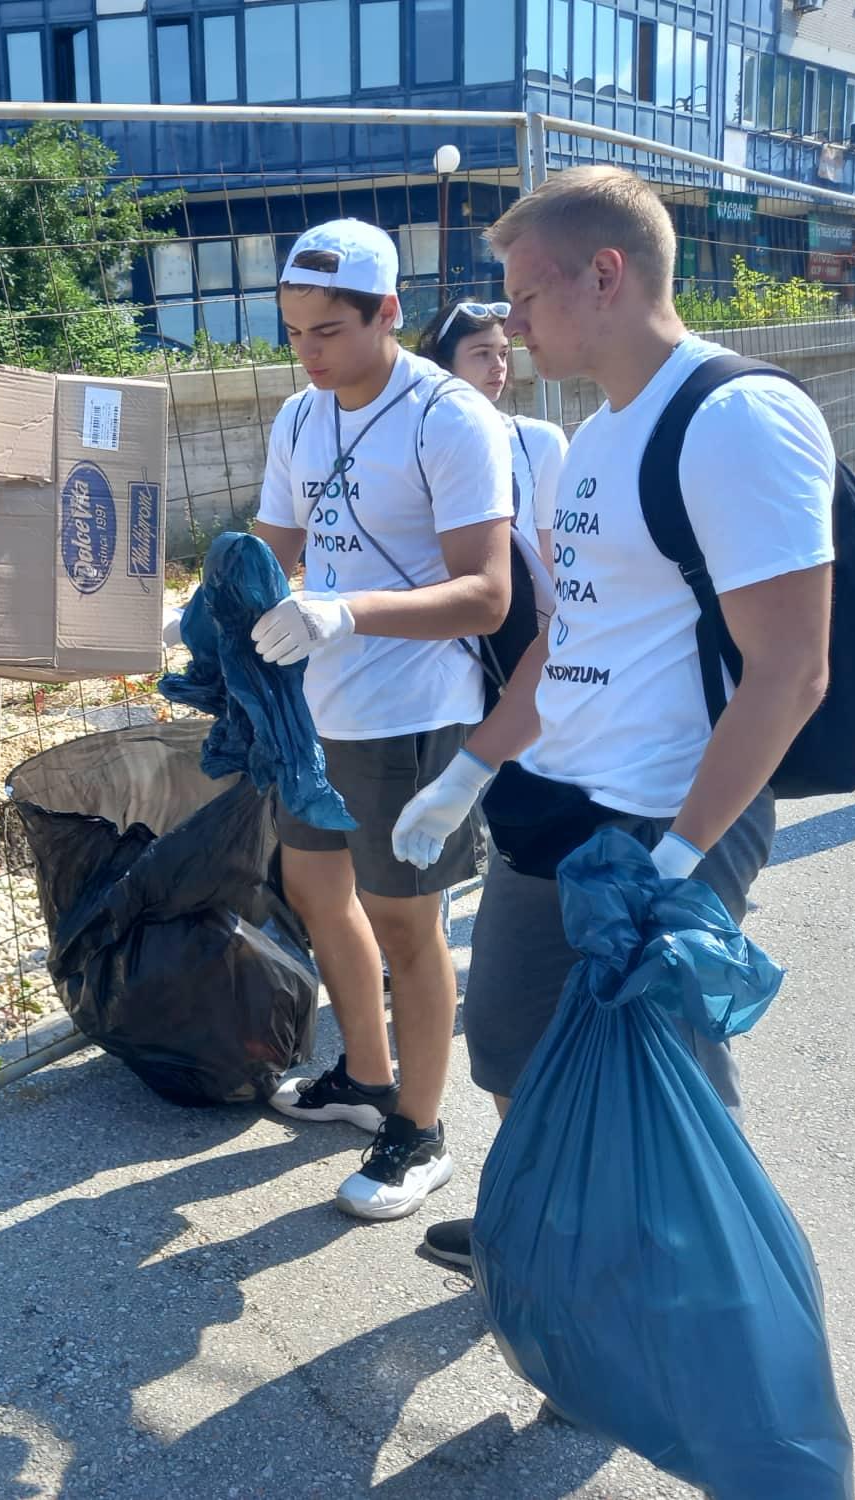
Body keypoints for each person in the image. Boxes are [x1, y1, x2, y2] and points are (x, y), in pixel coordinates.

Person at [389, 166, 835, 1272]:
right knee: (501, 1041)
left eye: (524, 297)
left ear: (606, 272)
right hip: (554, 805)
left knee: (660, 1081)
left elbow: (791, 668)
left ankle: (674, 1312)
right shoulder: (590, 438)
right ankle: (547, 1236)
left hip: (664, 821)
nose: (508, 322)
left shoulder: (733, 417)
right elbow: (569, 637)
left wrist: (681, 859)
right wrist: (469, 771)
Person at [251, 219, 514, 1222]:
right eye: (292, 331)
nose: (306, 352)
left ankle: (420, 1128)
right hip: (311, 707)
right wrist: (213, 602)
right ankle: (362, 1079)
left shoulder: (449, 419)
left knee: (409, 926)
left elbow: (484, 595)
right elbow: (273, 544)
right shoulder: (299, 417)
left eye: (326, 331)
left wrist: (346, 608)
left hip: (411, 711)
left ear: (387, 313)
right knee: (315, 890)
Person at [414, 298, 568, 604]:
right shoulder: (413, 445)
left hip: (521, 627)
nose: (498, 366)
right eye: (481, 354)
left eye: (502, 353)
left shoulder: (541, 442)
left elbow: (555, 560)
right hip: (437, 623)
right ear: (443, 364)